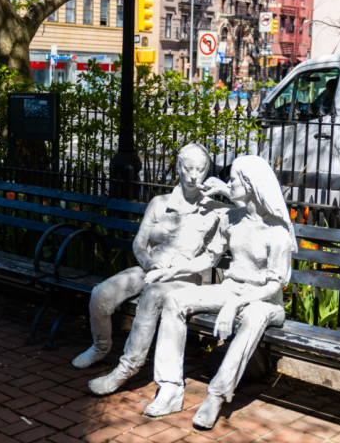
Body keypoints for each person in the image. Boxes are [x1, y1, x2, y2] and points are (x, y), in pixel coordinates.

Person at [142, 155, 297, 429]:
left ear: (250, 184)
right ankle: (170, 388)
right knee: (175, 299)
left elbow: (276, 285)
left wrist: (234, 306)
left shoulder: (278, 232)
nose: (229, 182)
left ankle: (216, 395)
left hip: (264, 300)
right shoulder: (232, 219)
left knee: (254, 316)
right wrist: (170, 272)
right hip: (231, 289)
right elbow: (210, 258)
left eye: (234, 179)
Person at [73, 144, 229, 376]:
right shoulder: (159, 203)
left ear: (207, 171)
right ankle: (100, 347)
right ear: (178, 167)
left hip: (183, 277)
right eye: (188, 168)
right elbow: (140, 243)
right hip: (150, 267)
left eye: (200, 169)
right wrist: (148, 263)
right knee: (100, 293)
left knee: (152, 294)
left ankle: (127, 367)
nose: (194, 175)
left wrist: (225, 191)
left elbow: (253, 217)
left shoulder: (215, 210)